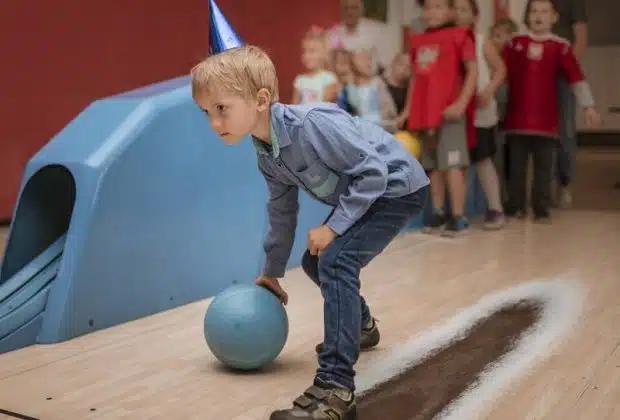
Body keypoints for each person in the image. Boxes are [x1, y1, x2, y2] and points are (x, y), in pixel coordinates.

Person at [190, 44, 429, 420]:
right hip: (369, 191)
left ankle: (336, 391)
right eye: (207, 113)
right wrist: (272, 271)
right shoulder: (266, 151)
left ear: (261, 99)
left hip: (397, 188)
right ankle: (362, 327)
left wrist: (333, 228)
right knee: (316, 261)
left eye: (222, 109)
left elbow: (373, 174)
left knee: (334, 260)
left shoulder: (312, 125)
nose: (215, 123)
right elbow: (282, 212)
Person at [502, 0, 601, 222]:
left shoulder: (561, 47)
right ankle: (516, 204)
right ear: (527, 17)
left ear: (554, 18)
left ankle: (541, 208)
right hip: (517, 121)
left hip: (546, 124)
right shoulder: (515, 44)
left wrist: (589, 106)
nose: (539, 16)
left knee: (543, 169)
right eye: (534, 12)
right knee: (516, 167)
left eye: (544, 12)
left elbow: (576, 78)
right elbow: (501, 74)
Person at [404, 0, 478, 236]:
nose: (432, 12)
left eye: (438, 6)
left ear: (450, 10)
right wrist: (407, 110)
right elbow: (416, 77)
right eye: (427, 7)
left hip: (450, 113)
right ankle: (437, 212)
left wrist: (461, 103)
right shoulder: (418, 39)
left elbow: (473, 72)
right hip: (425, 114)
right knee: (432, 165)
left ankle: (458, 216)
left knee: (452, 164)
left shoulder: (461, 35)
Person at [454, 0, 507, 229]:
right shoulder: (448, 41)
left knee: (483, 159)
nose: (458, 13)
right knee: (461, 162)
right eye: (454, 8)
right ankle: (459, 213)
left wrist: (489, 90)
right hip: (458, 112)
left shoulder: (481, 41)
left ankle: (496, 208)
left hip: (481, 111)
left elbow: (500, 69)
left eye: (464, 9)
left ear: (474, 16)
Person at [292, 27, 339, 104]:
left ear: (324, 54)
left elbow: (325, 107)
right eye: (304, 51)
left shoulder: (329, 78)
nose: (306, 56)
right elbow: (294, 107)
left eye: (312, 51)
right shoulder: (300, 80)